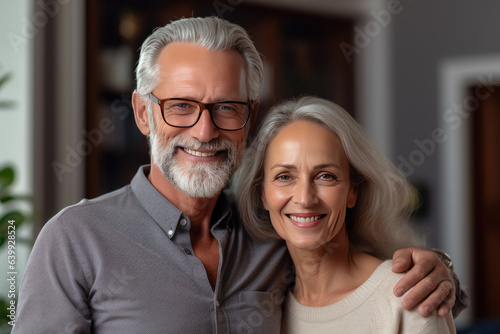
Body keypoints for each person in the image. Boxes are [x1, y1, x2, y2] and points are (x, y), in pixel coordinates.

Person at [14, 17, 461, 333]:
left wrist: (439, 269)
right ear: (143, 113)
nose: (204, 131)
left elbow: (357, 278)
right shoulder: (76, 239)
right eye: (182, 106)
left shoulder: (271, 231)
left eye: (226, 107)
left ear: (249, 118)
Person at [234, 96, 457, 333]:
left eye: (325, 176)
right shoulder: (263, 310)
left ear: (352, 191)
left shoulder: (410, 295)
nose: (305, 198)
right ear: (263, 195)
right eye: (284, 177)